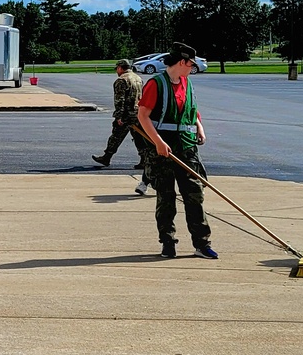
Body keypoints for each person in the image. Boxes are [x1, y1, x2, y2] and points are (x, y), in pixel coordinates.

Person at [136, 42, 217, 260]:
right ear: (182, 62)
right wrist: (158, 143)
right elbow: (143, 115)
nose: (193, 67)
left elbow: (193, 109)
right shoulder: (156, 84)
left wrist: (199, 127)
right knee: (166, 197)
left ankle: (202, 244)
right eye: (191, 64)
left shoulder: (187, 83)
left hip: (187, 147)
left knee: (194, 195)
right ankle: (168, 242)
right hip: (163, 149)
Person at [92, 58, 152, 195]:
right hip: (138, 114)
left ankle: (106, 157)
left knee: (116, 136)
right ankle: (143, 159)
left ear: (120, 67)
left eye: (117, 68)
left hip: (126, 115)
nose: (116, 71)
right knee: (139, 138)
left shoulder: (121, 80)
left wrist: (118, 116)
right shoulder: (138, 78)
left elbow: (120, 100)